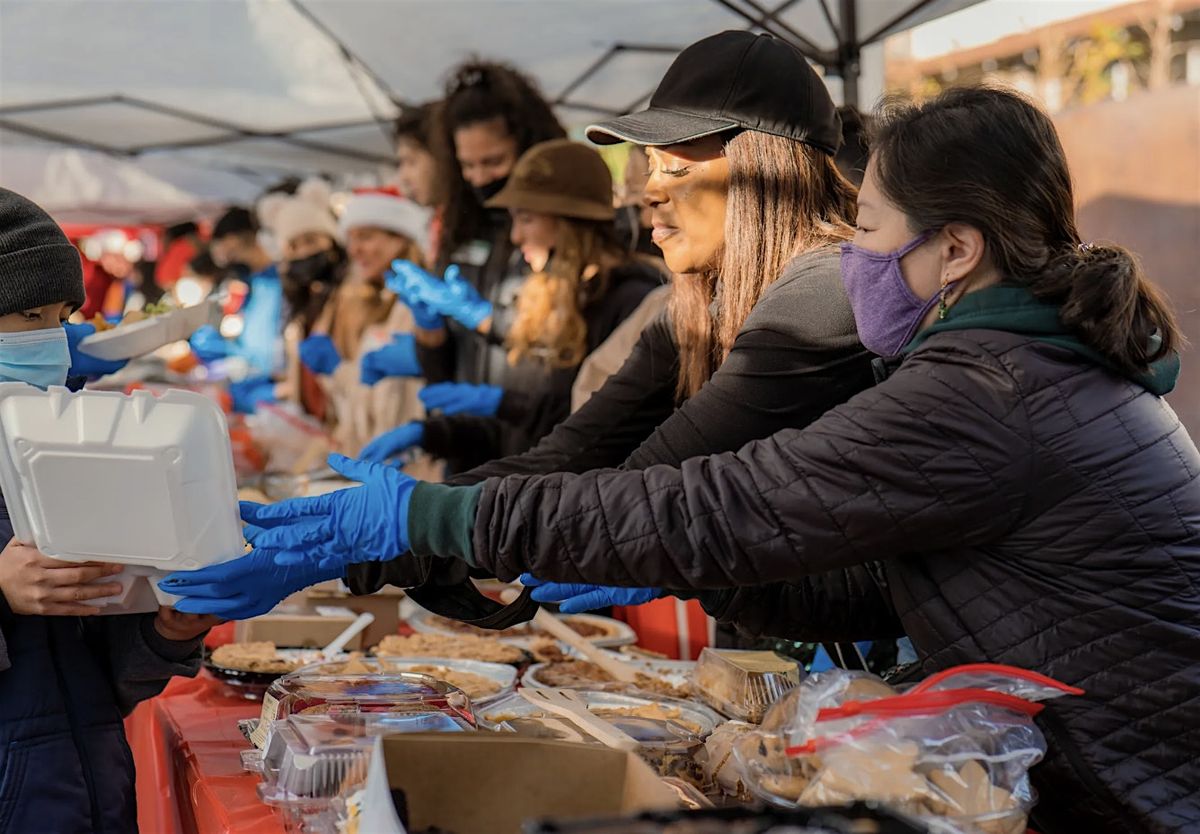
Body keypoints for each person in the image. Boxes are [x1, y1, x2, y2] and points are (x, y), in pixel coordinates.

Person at [235, 86, 1199, 833]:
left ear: (954, 249)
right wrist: (695, 582)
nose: (851, 250)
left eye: (867, 226)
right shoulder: (1014, 365)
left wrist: (427, 520)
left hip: (1131, 797)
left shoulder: (984, 388)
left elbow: (706, 504)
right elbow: (875, 585)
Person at [170, 32, 875, 656]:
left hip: (877, 650)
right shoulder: (695, 305)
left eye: (676, 169)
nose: (648, 195)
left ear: (766, 172)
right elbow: (567, 455)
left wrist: (389, 534)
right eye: (649, 169)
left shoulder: (822, 293)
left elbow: (639, 485)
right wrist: (358, 541)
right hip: (775, 610)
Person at [0, 187, 217, 833]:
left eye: (63, 313)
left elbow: (102, 676)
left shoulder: (59, 446)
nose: (52, 338)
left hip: (88, 791)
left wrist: (167, 630)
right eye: (27, 314)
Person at [366, 139, 663, 473]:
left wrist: (500, 403)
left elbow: (592, 426)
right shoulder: (556, 297)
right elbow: (517, 436)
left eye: (526, 219)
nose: (515, 236)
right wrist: (432, 433)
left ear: (570, 222)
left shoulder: (632, 301)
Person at [412, 60, 567, 450]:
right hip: (468, 443)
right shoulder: (462, 225)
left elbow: (564, 360)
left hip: (535, 445)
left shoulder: (563, 231)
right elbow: (441, 373)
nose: (480, 178)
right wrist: (429, 335)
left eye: (494, 162)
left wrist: (488, 321)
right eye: (467, 165)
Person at [299, 187, 431, 455]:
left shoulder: (415, 305)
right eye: (351, 239)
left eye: (367, 237)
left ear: (402, 240)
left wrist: (338, 370)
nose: (356, 249)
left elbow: (392, 405)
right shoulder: (364, 298)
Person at [231, 179, 346, 416]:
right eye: (293, 246)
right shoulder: (300, 307)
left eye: (311, 241)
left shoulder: (347, 298)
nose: (304, 252)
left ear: (332, 243)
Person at [189, 206, 283, 375]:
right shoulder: (254, 282)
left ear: (237, 239)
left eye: (230, 252)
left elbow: (271, 350)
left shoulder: (282, 279)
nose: (229, 260)